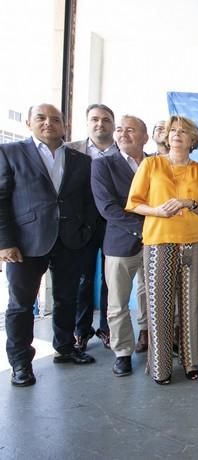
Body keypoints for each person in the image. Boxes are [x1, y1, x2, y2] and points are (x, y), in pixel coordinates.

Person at [1, 103, 98, 387]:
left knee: (67, 297)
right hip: (26, 243)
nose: (48, 123)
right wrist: (4, 242)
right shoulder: (10, 153)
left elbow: (89, 201)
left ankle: (65, 347)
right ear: (29, 122)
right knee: (21, 305)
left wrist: (86, 230)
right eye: (41, 118)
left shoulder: (81, 160)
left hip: (70, 240)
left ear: (64, 125)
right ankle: (20, 362)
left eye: (55, 119)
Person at [125, 115, 198, 385]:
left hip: (194, 241)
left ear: (192, 139)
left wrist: (189, 202)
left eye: (183, 131)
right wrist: (157, 210)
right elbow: (133, 203)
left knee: (191, 306)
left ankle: (190, 361)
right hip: (159, 240)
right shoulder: (151, 164)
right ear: (165, 137)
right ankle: (160, 367)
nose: (176, 134)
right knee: (159, 307)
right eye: (172, 130)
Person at [91, 115, 150, 377]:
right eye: (120, 129)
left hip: (155, 242)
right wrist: (141, 229)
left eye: (131, 130)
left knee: (151, 297)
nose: (124, 133)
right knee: (117, 302)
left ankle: (151, 340)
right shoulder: (103, 165)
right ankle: (122, 352)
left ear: (145, 137)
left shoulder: (156, 163)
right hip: (120, 242)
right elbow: (107, 207)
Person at [67, 103, 118, 352]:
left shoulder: (124, 153)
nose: (100, 124)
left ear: (113, 125)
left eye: (106, 120)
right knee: (83, 279)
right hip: (80, 227)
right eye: (95, 119)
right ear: (88, 123)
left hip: (114, 226)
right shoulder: (69, 151)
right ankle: (81, 331)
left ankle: (107, 329)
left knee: (110, 281)